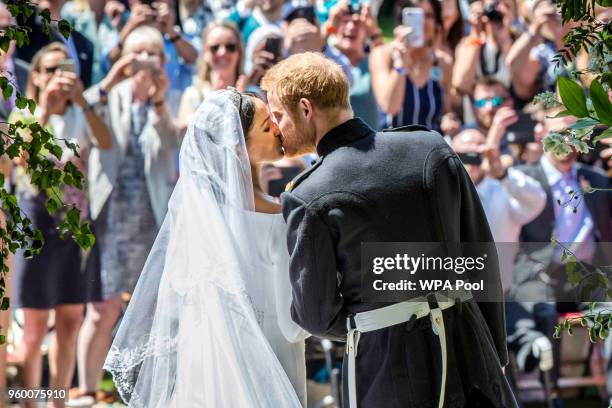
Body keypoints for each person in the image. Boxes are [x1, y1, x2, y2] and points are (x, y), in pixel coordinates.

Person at [262, 52, 517, 408]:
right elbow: (480, 254)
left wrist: (374, 320)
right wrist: (496, 351)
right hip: (470, 347)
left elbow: (316, 315)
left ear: (306, 109)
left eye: (278, 115)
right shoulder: (430, 148)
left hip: (388, 365)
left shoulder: (307, 194)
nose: (276, 128)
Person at [104, 88, 309, 407]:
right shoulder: (279, 217)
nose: (278, 130)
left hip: (205, 367)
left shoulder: (197, 219)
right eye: (268, 126)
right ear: (239, 149)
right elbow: (292, 326)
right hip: (273, 368)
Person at [71, 25, 182, 405]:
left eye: (153, 54)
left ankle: (146, 391)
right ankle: (86, 389)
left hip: (152, 218)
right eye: (138, 54)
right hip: (110, 217)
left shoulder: (169, 98)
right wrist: (110, 78)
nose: (145, 63)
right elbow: (76, 120)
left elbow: (172, 145)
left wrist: (160, 102)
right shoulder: (109, 95)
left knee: (152, 308)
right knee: (102, 308)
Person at [9, 42, 112, 408]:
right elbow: (20, 158)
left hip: (76, 228)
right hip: (36, 226)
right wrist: (46, 110)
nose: (58, 77)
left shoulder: (81, 113)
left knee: (70, 322)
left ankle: (59, 402)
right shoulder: (25, 114)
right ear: (35, 75)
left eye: (64, 68)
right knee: (35, 329)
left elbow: (106, 141)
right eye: (50, 69)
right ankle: (34, 400)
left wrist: (80, 101)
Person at [369, 0, 452, 132]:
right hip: (393, 146)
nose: (423, 22)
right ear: (402, 20)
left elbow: (447, 111)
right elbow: (390, 107)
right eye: (416, 16)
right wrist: (401, 63)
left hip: (431, 147)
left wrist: (450, 119)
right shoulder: (383, 55)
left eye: (429, 16)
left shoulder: (442, 62)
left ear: (437, 24)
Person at [177, 20, 245, 128]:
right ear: (205, 53)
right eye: (215, 48)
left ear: (239, 52)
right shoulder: (193, 95)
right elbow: (184, 135)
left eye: (230, 47)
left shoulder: (252, 94)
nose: (222, 52)